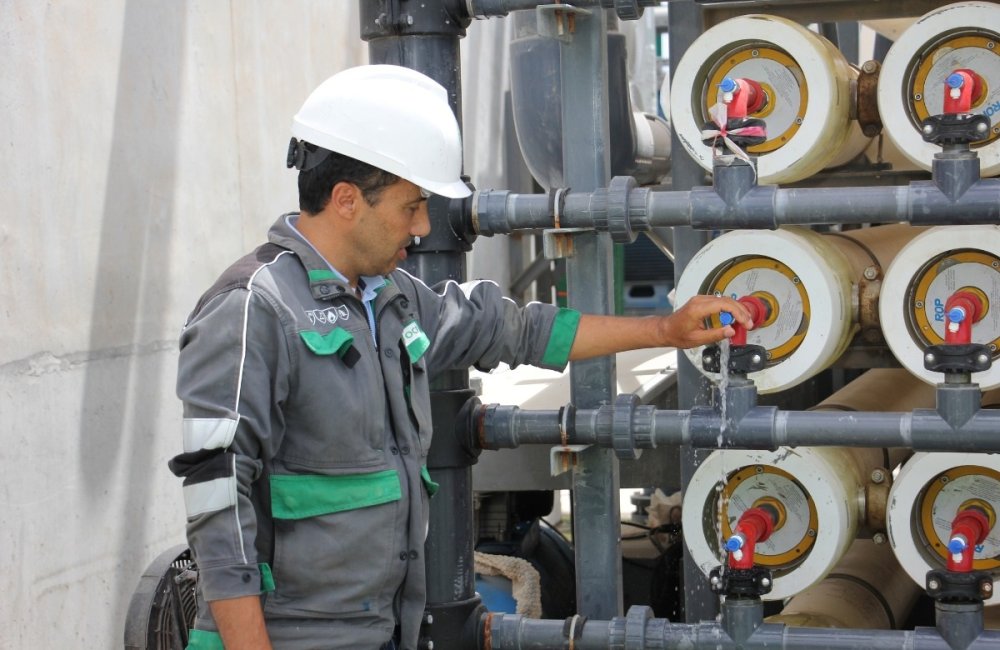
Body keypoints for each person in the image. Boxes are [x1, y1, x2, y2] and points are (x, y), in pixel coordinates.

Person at [169, 64, 752, 650]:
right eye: (410, 205)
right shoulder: (252, 310)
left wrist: (664, 329)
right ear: (347, 200)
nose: (422, 226)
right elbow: (219, 504)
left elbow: (513, 328)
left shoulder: (389, 300)